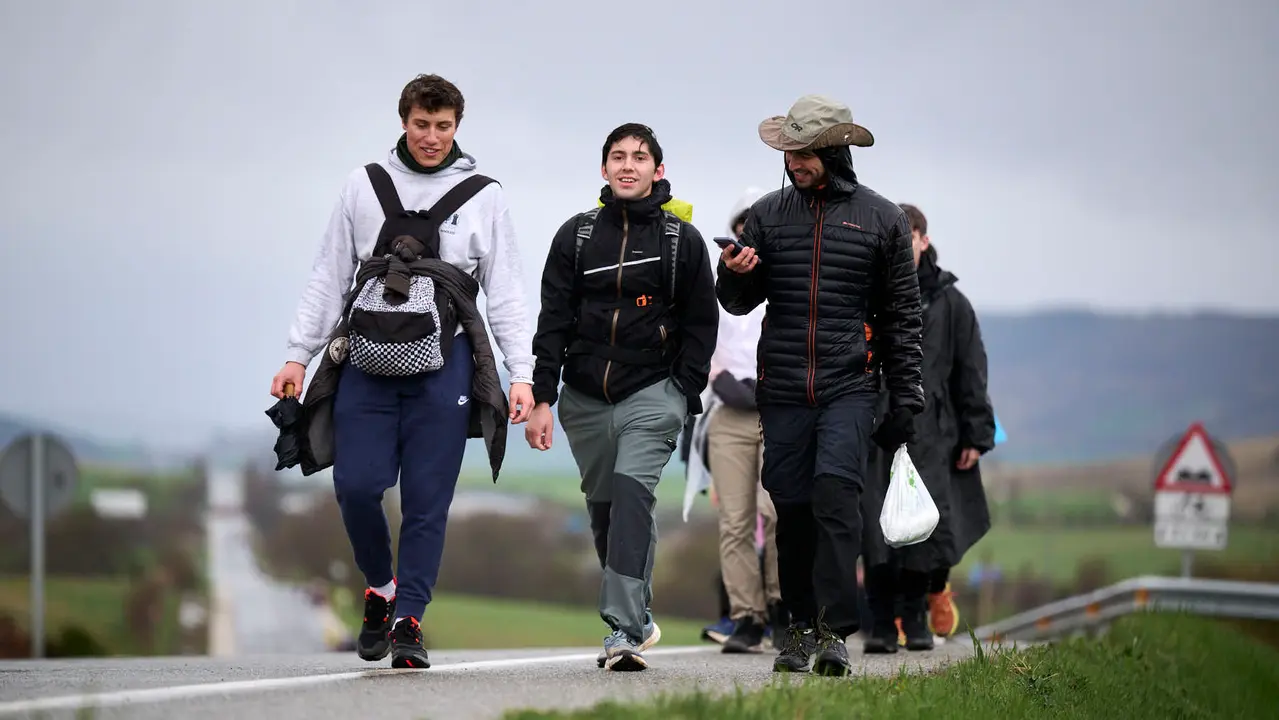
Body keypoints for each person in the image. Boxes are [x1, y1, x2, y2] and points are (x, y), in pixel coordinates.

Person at [269, 74, 535, 669]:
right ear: (404, 121)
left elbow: (507, 291)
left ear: (457, 126)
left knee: (427, 500)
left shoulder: (484, 195)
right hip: (366, 361)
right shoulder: (363, 186)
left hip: (447, 367)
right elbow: (329, 274)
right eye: (421, 125)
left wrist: (521, 372)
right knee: (356, 485)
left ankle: (409, 620)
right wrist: (297, 354)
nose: (431, 137)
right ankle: (380, 587)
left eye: (443, 126)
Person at [716, 94, 924, 676]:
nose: (792, 162)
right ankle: (800, 627)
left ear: (833, 151)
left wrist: (906, 397)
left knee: (836, 498)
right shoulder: (767, 214)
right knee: (793, 509)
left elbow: (903, 316)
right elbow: (737, 303)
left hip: (849, 385)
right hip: (782, 388)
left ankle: (834, 632)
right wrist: (732, 275)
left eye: (803, 153)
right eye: (787, 152)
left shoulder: (882, 219)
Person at [526, 123, 718, 671]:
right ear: (604, 168)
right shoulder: (576, 236)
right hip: (584, 397)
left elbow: (702, 323)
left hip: (653, 391)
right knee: (606, 510)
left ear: (658, 170)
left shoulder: (682, 241)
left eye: (639, 157)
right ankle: (639, 613)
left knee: (634, 497)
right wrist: (543, 397)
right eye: (618, 156)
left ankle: (623, 632)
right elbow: (553, 320)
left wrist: (683, 389)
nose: (628, 165)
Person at [860, 202, 996, 653]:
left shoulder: (951, 303)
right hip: (874, 423)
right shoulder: (865, 291)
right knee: (874, 522)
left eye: (908, 238)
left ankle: (916, 616)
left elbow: (970, 370)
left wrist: (976, 434)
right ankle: (882, 623)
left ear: (924, 239)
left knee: (925, 521)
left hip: (933, 430)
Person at [704, 187, 787, 653]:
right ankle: (746, 616)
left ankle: (781, 606)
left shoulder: (787, 272)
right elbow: (702, 337)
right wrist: (718, 380)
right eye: (744, 225)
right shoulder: (720, 280)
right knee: (735, 520)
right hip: (730, 412)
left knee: (774, 513)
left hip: (777, 409)